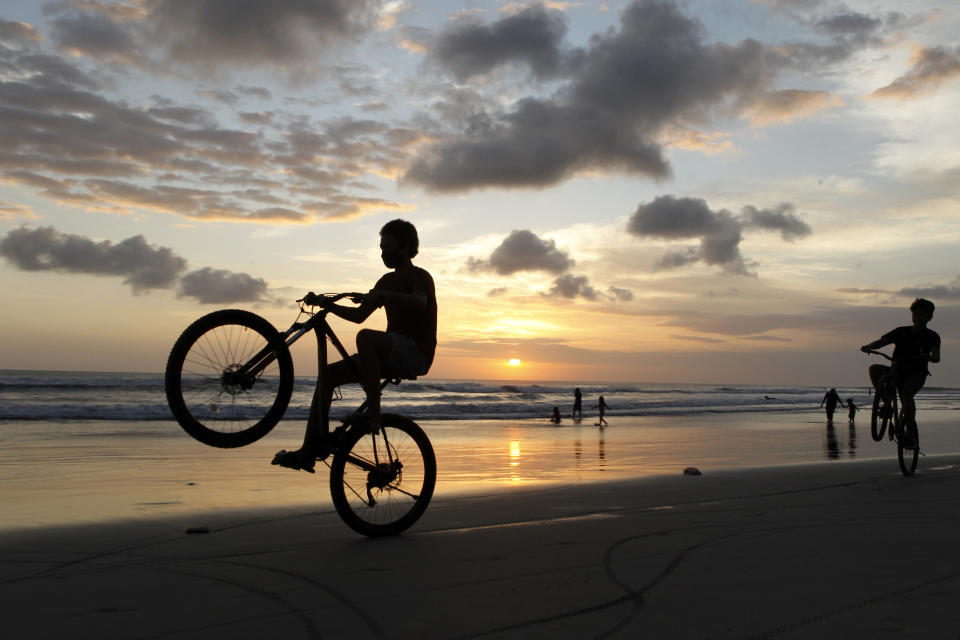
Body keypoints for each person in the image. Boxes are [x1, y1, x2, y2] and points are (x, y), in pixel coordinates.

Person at [272, 219, 437, 473]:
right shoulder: (385, 280)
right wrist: (327, 305)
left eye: (388, 247)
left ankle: (374, 413)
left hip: (416, 353)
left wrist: (387, 296)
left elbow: (420, 302)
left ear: (404, 249)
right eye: (381, 247)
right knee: (326, 375)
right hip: (390, 350)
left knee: (366, 338)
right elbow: (359, 316)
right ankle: (309, 450)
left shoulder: (420, 276)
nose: (382, 253)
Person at [860, 298, 940, 447]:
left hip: (916, 374)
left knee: (907, 394)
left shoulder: (932, 336)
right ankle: (886, 403)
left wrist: (930, 357)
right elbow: (882, 342)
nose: (917, 317)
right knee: (875, 369)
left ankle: (910, 434)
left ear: (929, 317)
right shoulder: (901, 331)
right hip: (897, 370)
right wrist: (868, 346)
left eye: (922, 315)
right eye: (915, 314)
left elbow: (936, 356)